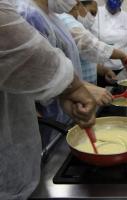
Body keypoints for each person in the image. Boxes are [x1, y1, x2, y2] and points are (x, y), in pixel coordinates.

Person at [0, 0, 96, 199]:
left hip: (23, 127)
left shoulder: (54, 18)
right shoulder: (27, 12)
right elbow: (23, 55)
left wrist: (70, 88)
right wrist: (73, 87)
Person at [56, 0, 127, 86]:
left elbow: (86, 58)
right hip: (78, 87)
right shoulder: (66, 20)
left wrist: (105, 71)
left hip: (86, 86)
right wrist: (122, 55)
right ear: (78, 5)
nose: (92, 19)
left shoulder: (77, 23)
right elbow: (91, 46)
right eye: (92, 13)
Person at [91, 0, 127, 82]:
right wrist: (102, 70)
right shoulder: (95, 13)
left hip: (122, 68)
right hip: (99, 69)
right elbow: (88, 43)